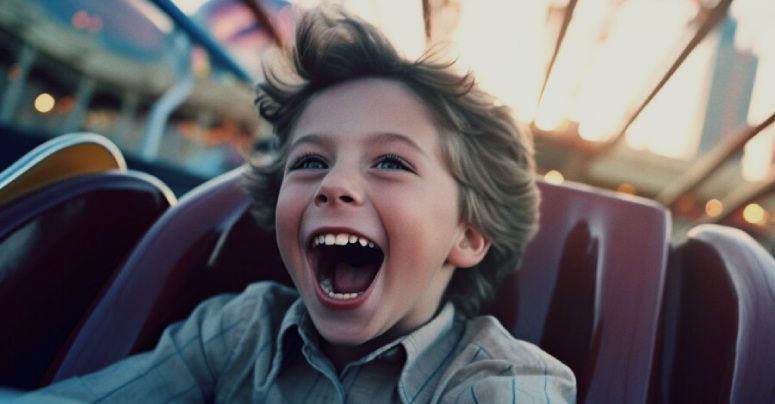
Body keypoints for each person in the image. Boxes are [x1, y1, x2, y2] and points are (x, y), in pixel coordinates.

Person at [23, 6, 576, 403]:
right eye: (310, 162)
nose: (334, 186)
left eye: (391, 162)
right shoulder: (240, 331)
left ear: (469, 235)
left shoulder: (503, 381)